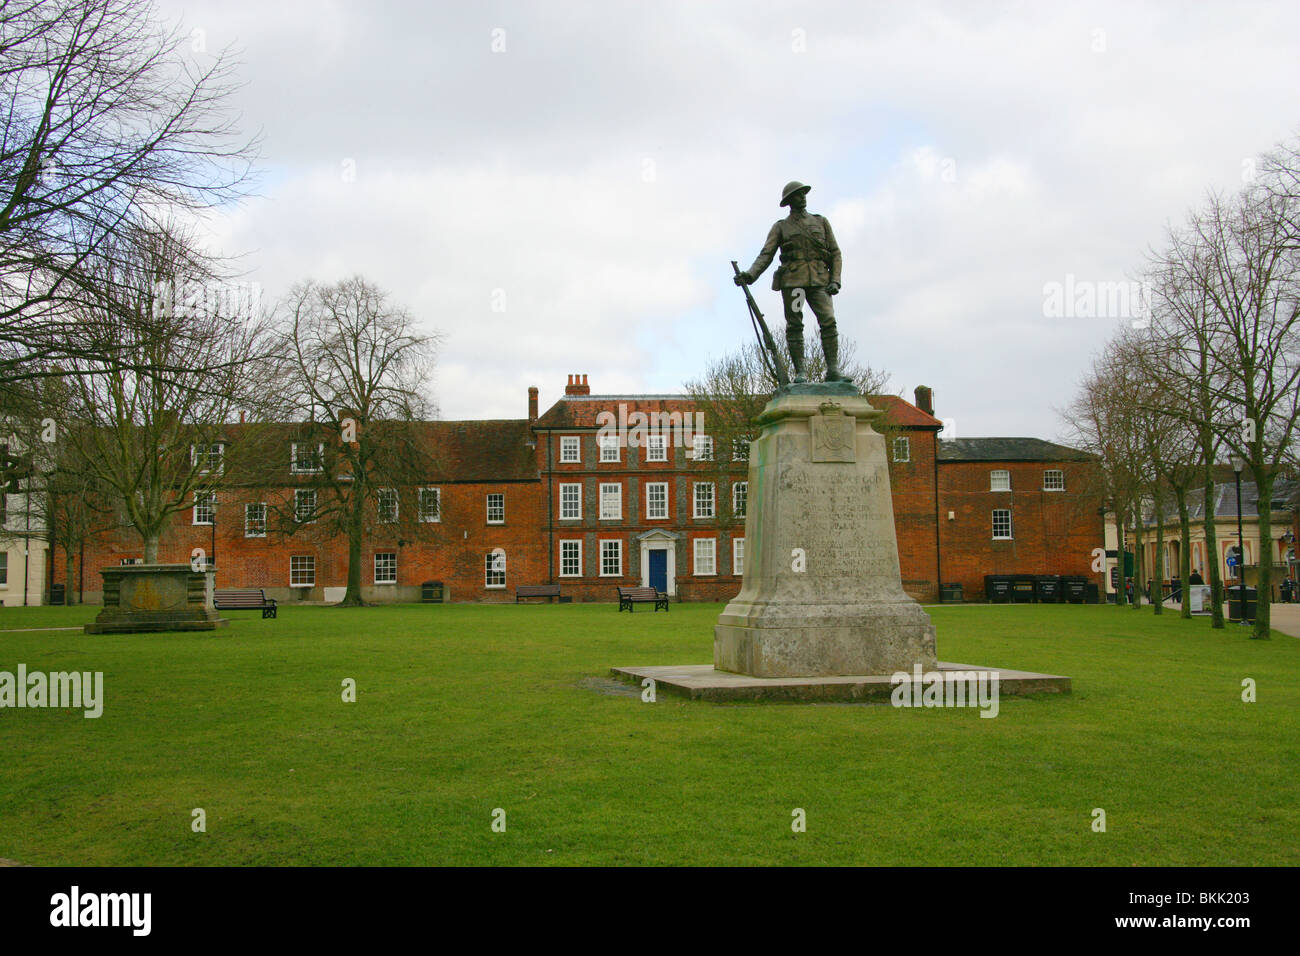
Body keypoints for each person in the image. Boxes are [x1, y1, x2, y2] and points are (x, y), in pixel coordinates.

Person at [734, 181, 848, 384]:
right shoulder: (781, 227)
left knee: (828, 321)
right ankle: (801, 372)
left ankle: (833, 370)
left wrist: (835, 280)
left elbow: (835, 253)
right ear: (789, 201)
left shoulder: (821, 222)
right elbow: (766, 254)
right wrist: (750, 275)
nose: (803, 197)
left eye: (804, 194)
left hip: (820, 282)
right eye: (798, 195)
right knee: (795, 325)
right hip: (794, 283)